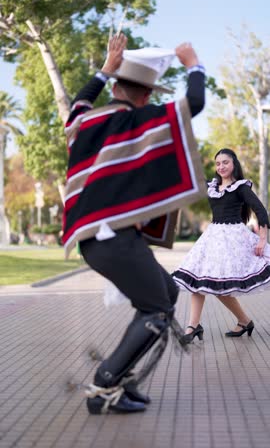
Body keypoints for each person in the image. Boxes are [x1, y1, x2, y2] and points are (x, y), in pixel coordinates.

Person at [62, 34, 206, 414]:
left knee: (166, 295)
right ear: (144, 96)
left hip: (97, 238)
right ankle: (102, 388)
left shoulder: (83, 121)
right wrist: (194, 64)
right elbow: (194, 103)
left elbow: (79, 100)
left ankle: (120, 380)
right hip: (112, 238)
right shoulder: (136, 121)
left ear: (116, 85)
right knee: (156, 309)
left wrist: (103, 70)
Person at [172, 148, 270, 342]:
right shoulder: (210, 186)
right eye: (218, 163)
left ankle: (242, 320)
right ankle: (194, 326)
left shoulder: (241, 187)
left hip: (232, 240)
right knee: (198, 280)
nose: (221, 166)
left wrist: (262, 238)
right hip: (212, 239)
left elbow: (260, 210)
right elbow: (187, 180)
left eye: (225, 162)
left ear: (234, 164)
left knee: (216, 285)